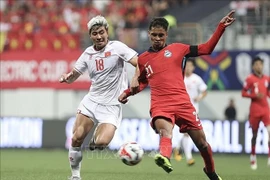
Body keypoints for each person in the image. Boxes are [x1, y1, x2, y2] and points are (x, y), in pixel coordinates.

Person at [119, 10, 236, 180]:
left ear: (166, 35)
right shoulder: (143, 59)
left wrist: (220, 28)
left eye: (161, 35)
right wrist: (128, 92)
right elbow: (143, 82)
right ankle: (164, 157)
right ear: (149, 34)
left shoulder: (179, 49)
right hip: (160, 104)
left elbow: (207, 49)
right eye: (154, 35)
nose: (157, 38)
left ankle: (210, 172)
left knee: (202, 144)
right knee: (165, 132)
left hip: (183, 103)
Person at [59, 15, 138, 180]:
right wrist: (68, 77)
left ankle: (95, 140)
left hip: (111, 105)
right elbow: (75, 75)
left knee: (101, 143)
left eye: (101, 32)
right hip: (92, 101)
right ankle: (75, 176)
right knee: (77, 137)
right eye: (95, 33)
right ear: (90, 35)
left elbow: (139, 63)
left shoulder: (117, 47)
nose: (99, 36)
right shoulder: (87, 54)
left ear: (107, 32)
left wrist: (134, 83)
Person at [173, 57, 208, 166]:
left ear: (193, 67)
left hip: (193, 109)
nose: (188, 68)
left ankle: (180, 150)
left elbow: (204, 91)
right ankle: (186, 155)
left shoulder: (196, 79)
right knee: (184, 132)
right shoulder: (180, 77)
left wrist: (199, 97)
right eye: (186, 65)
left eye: (190, 66)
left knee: (187, 133)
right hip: (179, 108)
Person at [241, 56, 270, 170]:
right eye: (256, 64)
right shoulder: (249, 79)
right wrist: (253, 95)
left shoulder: (267, 78)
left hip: (265, 109)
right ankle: (253, 156)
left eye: (260, 64)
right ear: (253, 67)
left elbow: (267, 92)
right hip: (254, 110)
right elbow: (243, 93)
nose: (259, 66)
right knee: (255, 135)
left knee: (269, 131)